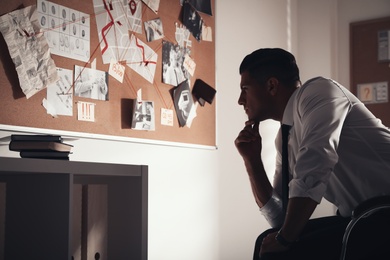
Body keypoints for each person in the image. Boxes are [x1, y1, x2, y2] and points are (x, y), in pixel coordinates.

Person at [234, 48, 390, 260]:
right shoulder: (285, 136)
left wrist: (284, 239)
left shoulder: (318, 92)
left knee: (279, 251)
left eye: (245, 89)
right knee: (267, 241)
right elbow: (281, 219)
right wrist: (252, 161)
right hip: (363, 217)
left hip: (381, 211)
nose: (240, 100)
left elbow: (316, 163)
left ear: (271, 85)